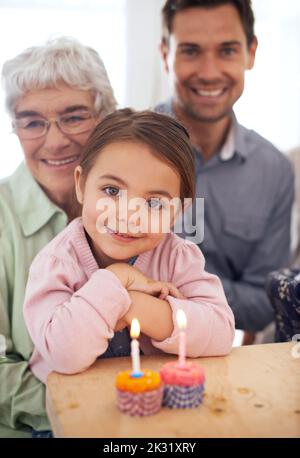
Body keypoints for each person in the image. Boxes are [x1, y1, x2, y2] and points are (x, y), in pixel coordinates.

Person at [23, 109, 235, 385]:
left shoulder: (177, 257)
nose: (128, 214)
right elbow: (65, 353)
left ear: (179, 211)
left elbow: (221, 333)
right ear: (81, 184)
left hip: (154, 401)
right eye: (112, 191)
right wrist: (118, 278)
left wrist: (132, 305)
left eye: (154, 203)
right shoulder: (57, 264)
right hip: (73, 413)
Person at [0, 36, 116, 437]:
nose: (55, 140)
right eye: (32, 121)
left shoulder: (139, 207)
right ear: (15, 129)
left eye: (74, 116)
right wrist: (88, 410)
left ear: (105, 116)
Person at [155, 0, 294, 334]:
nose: (209, 71)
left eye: (227, 51)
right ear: (165, 55)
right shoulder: (117, 154)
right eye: (190, 51)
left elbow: (263, 304)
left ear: (251, 52)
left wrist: (169, 285)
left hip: (220, 364)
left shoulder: (273, 171)